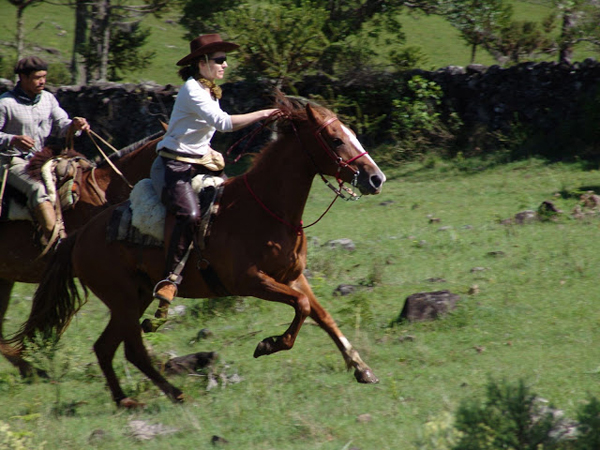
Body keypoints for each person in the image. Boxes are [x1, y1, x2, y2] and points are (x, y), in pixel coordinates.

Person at [148, 34, 278, 326]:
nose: (225, 65)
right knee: (189, 214)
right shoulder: (192, 89)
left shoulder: (209, 91)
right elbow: (223, 123)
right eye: (220, 60)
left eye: (224, 59)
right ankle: (169, 280)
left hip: (199, 165)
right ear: (202, 62)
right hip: (174, 167)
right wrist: (265, 113)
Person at [0, 56, 90, 245]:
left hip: (40, 159)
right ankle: (56, 241)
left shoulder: (48, 99)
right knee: (37, 188)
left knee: (76, 175)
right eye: (37, 77)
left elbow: (62, 125)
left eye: (44, 77)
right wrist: (12, 139)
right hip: (10, 161)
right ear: (23, 78)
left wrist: (75, 125)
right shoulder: (5, 103)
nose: (42, 81)